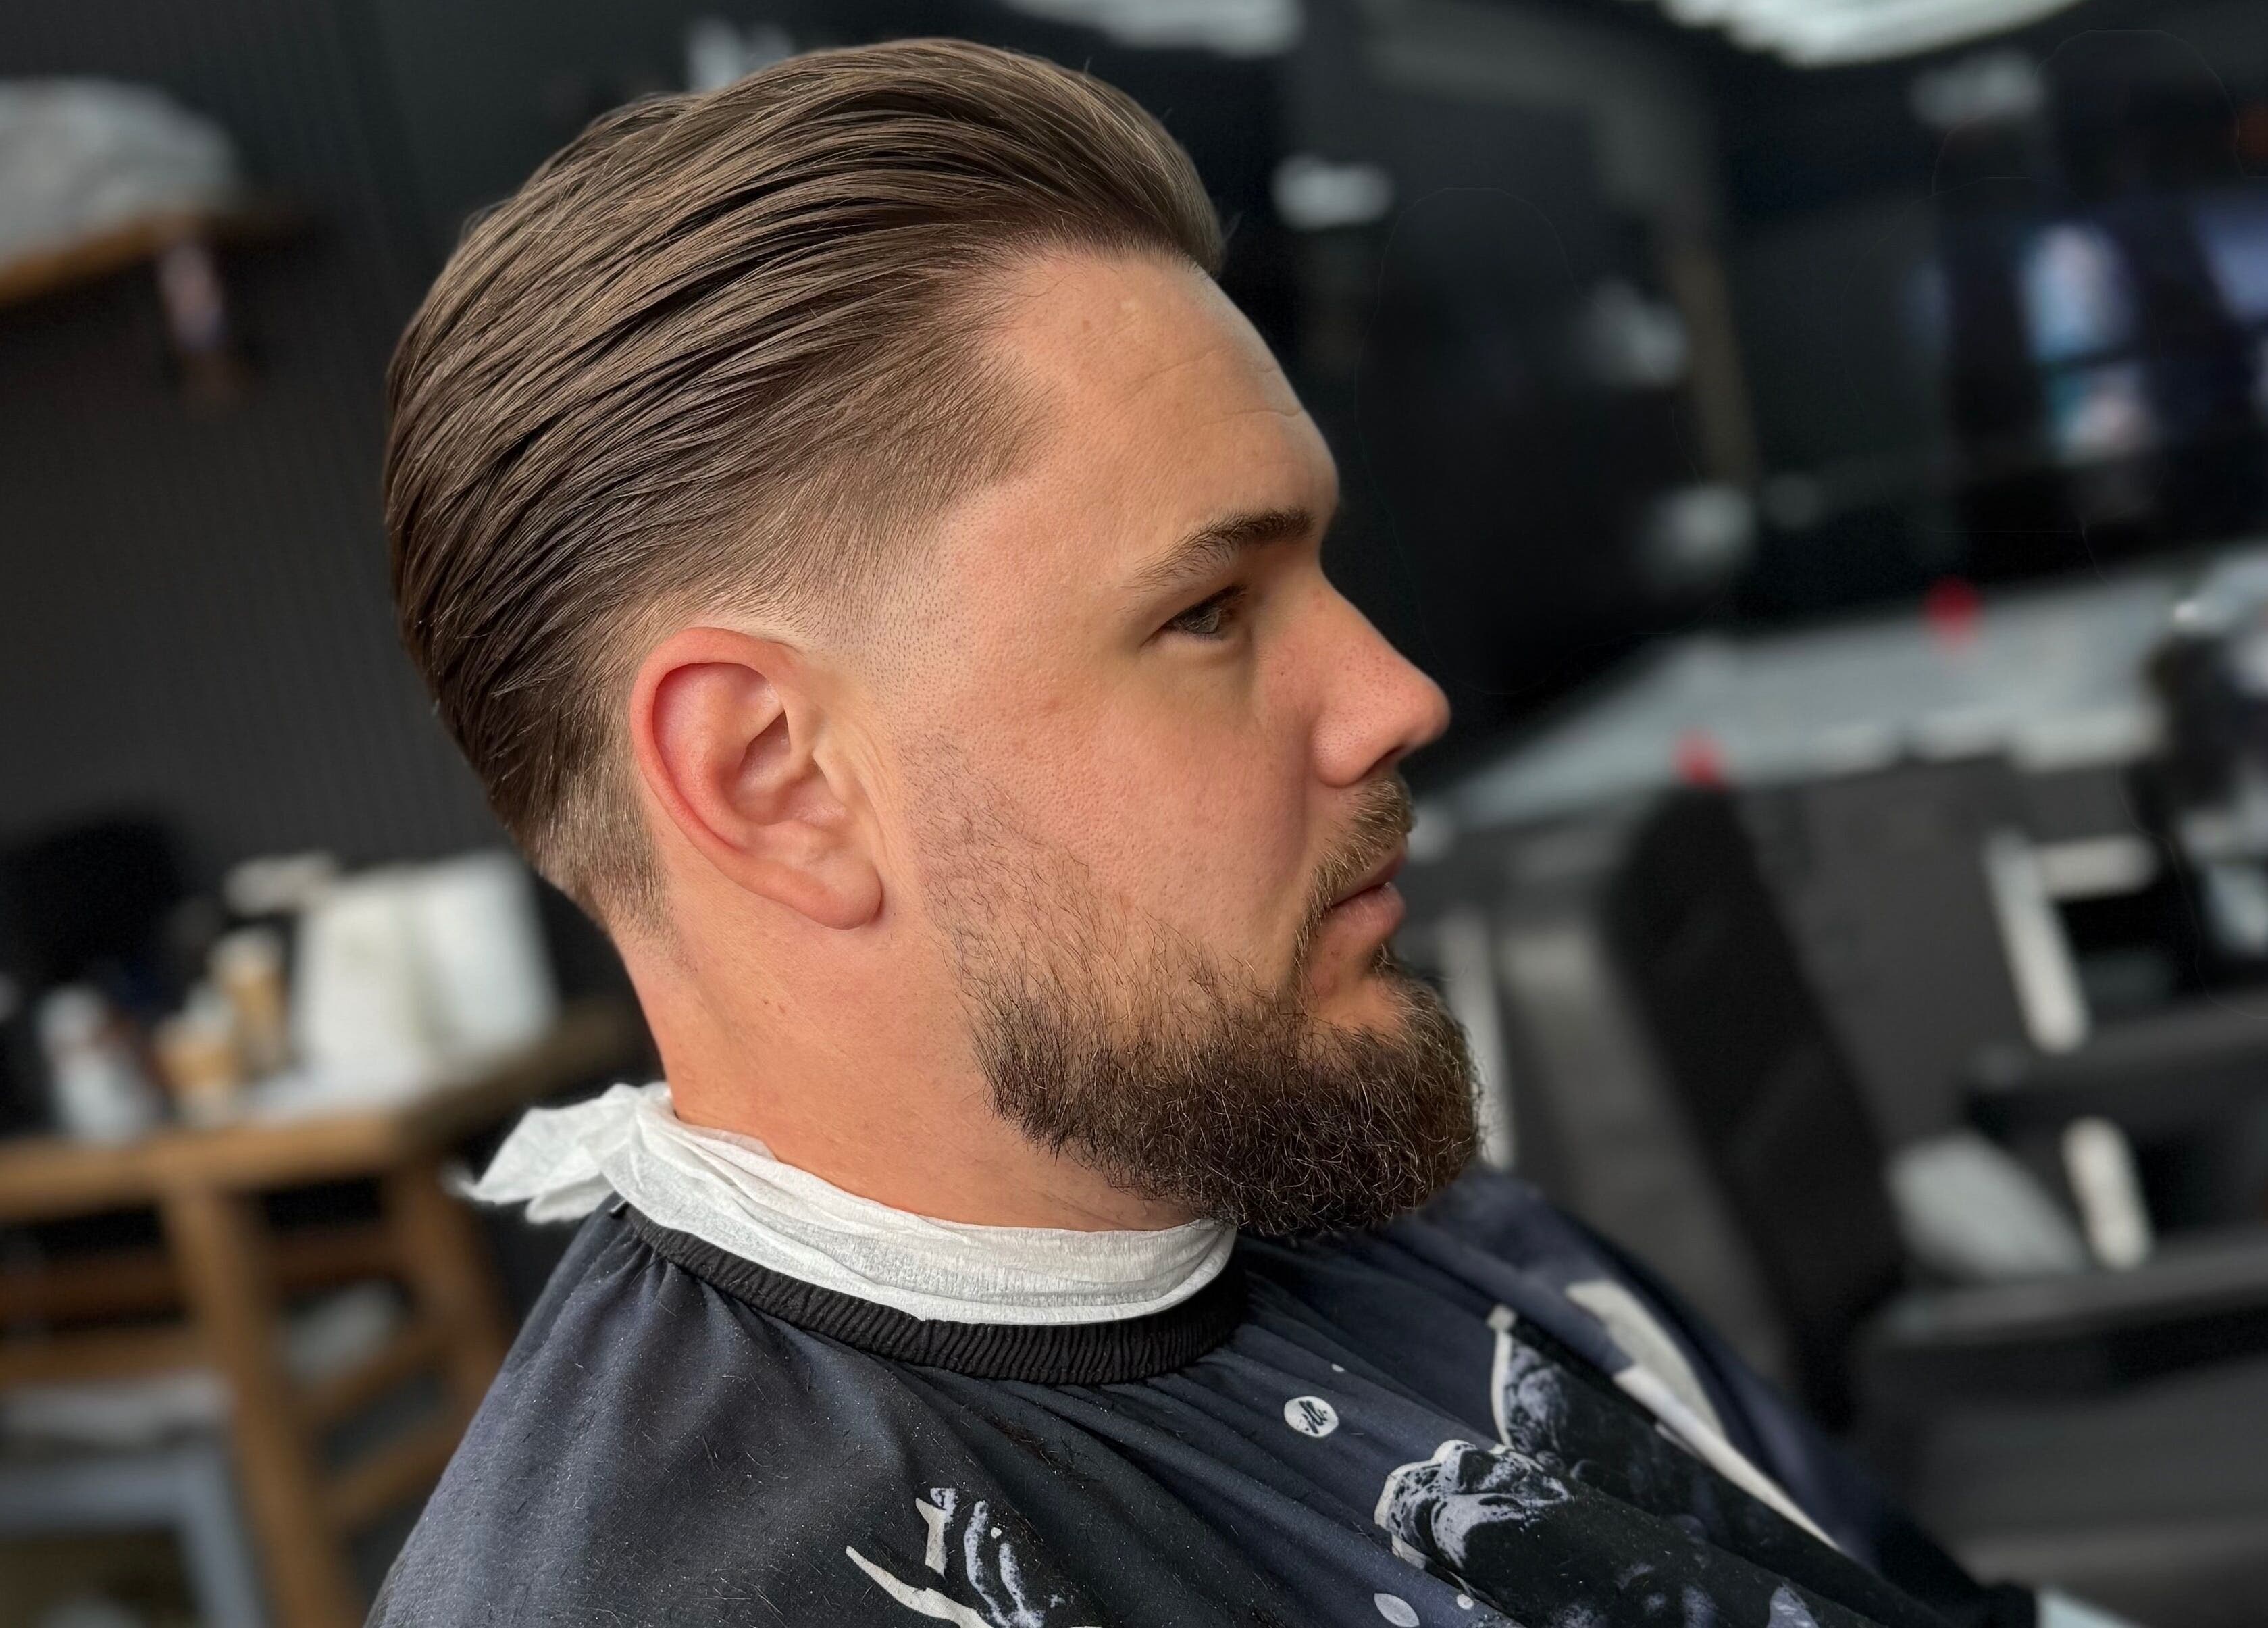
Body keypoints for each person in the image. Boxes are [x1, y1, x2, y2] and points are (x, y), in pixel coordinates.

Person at [376, 39, 2067, 1628]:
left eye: (1318, 574)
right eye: (1206, 610)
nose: (1393, 696)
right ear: (775, 780)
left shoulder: (1331, 1171)